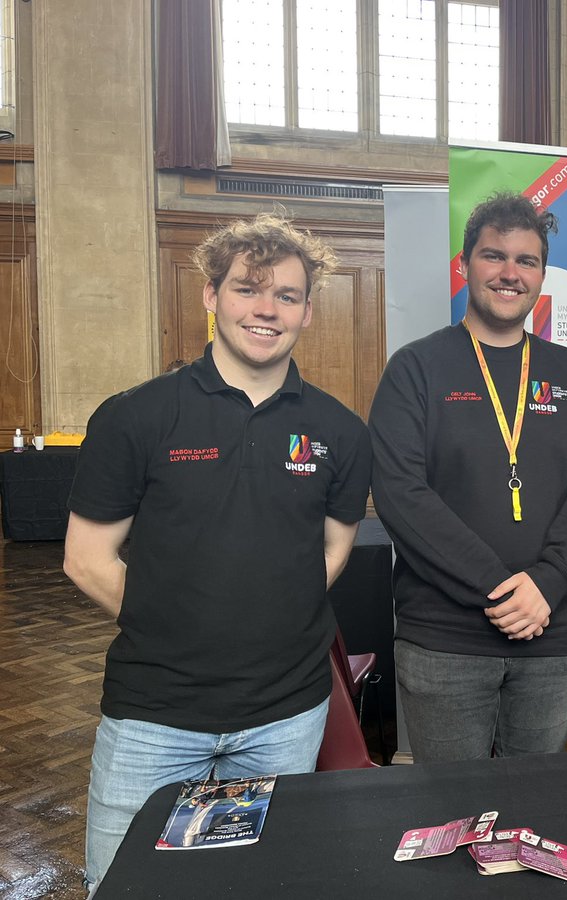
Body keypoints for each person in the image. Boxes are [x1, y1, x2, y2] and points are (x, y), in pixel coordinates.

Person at [64, 213, 372, 892]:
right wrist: (179, 623)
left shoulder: (339, 431)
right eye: (246, 289)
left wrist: (261, 616)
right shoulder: (136, 416)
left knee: (252, 886)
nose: (266, 310)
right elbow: (86, 558)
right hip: (153, 714)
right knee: (123, 886)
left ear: (308, 312)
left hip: (285, 717)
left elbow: (333, 550)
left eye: (286, 296)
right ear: (211, 296)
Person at [369, 192, 567, 763]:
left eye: (526, 261)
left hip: (551, 635)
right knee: (453, 812)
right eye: (494, 256)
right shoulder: (416, 368)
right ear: (464, 266)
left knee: (533, 809)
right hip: (444, 641)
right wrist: (505, 590)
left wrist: (549, 581)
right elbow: (401, 494)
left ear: (541, 275)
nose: (510, 273)